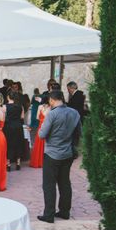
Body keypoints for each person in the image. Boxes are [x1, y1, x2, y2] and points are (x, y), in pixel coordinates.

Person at [36, 90, 81, 223]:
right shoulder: (74, 112)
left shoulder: (52, 114)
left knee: (49, 185)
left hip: (52, 153)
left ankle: (49, 214)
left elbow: (41, 134)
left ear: (51, 100)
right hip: (67, 153)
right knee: (65, 182)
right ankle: (64, 211)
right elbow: (78, 132)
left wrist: (45, 117)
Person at [4, 91, 26, 171]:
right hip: (18, 126)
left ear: (8, 97)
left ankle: (8, 164)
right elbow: (22, 117)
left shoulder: (5, 106)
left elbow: (3, 117)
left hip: (9, 126)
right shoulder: (20, 106)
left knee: (9, 144)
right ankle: (18, 163)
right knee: (18, 143)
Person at [30, 96, 50, 168]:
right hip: (47, 126)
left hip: (41, 126)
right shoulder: (50, 108)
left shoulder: (40, 107)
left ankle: (38, 161)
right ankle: (45, 162)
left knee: (39, 143)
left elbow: (37, 117)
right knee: (46, 144)